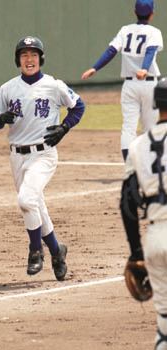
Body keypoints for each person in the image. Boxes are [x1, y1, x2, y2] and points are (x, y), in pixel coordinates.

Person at [0, 36, 85, 281]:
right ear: (18, 60)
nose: (29, 59)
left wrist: (64, 128)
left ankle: (35, 250)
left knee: (26, 200)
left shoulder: (54, 85)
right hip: (17, 157)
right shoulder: (8, 88)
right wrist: (1, 119)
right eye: (24, 55)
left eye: (33, 55)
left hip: (44, 154)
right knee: (36, 206)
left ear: (41, 59)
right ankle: (56, 250)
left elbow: (78, 106)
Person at [81, 0, 163, 161]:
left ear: (135, 11)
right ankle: (150, 166)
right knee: (150, 128)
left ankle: (129, 167)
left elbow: (111, 51)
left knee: (128, 128)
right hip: (149, 84)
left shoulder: (125, 30)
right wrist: (145, 69)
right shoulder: (154, 31)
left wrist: (95, 68)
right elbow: (150, 51)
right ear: (152, 14)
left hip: (130, 85)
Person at [120, 77, 167, 350]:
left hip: (154, 240)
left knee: (164, 323)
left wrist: (136, 252)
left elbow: (127, 203)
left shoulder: (138, 145)